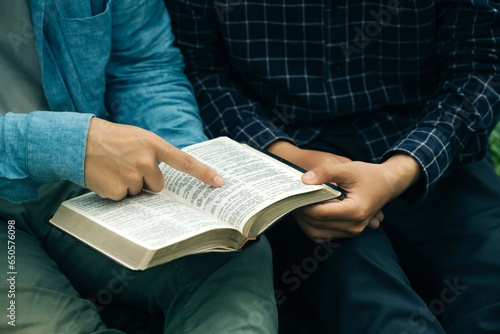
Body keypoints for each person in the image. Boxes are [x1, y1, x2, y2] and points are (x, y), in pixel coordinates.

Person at [165, 0, 500, 333]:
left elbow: (478, 70)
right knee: (378, 310)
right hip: (287, 156)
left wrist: (398, 171)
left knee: (489, 289)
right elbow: (203, 69)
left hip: (429, 142)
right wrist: (286, 156)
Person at [0, 1, 278, 333]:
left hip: (95, 177)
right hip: (66, 165)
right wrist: (58, 145)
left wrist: (181, 170)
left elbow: (142, 66)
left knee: (229, 255)